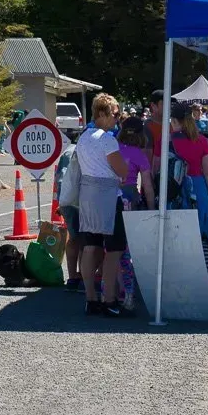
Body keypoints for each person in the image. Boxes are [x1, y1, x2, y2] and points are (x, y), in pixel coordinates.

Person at [75, 94, 129, 317]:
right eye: (115, 114)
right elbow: (122, 170)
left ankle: (90, 298)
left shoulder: (83, 138)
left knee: (90, 247)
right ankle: (109, 299)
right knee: (114, 250)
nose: (117, 118)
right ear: (102, 114)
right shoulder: (107, 139)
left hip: (87, 194)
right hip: (106, 195)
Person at [115, 116, 156, 312]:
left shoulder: (112, 151)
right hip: (131, 200)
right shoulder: (139, 155)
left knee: (112, 251)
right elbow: (147, 185)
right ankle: (129, 293)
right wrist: (151, 207)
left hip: (111, 199)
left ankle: (115, 291)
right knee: (128, 252)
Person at [170, 101, 208, 243]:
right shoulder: (201, 141)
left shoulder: (166, 140)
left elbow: (156, 167)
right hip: (198, 189)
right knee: (200, 234)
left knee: (178, 236)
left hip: (173, 190)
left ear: (173, 120)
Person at [56, 140, 84, 292]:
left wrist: (61, 202)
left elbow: (59, 177)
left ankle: (73, 277)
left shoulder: (67, 152)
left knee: (74, 238)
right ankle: (84, 276)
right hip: (83, 198)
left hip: (66, 199)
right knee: (86, 240)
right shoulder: (92, 147)